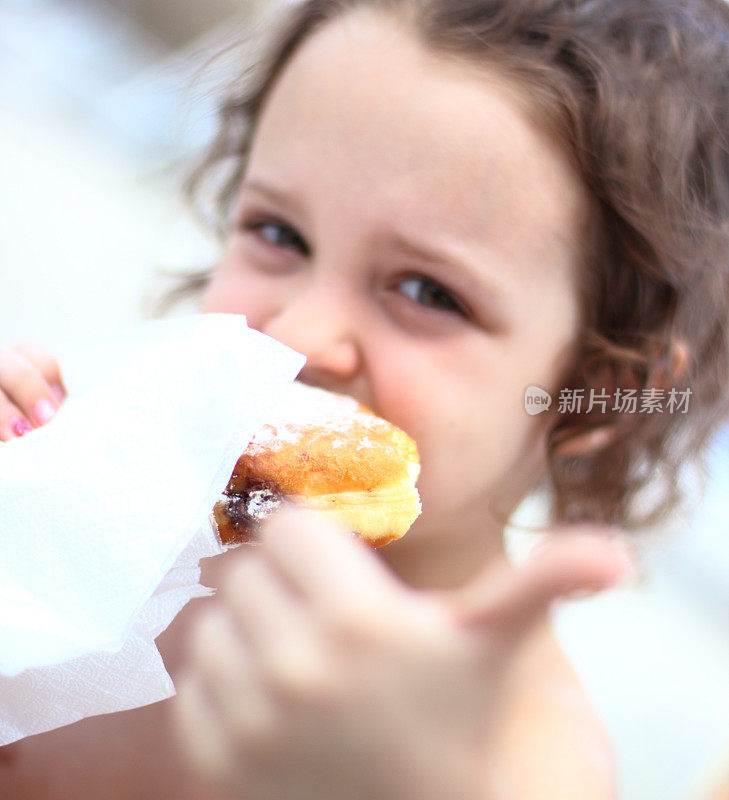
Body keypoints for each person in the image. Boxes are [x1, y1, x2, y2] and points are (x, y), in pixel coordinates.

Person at [1, 0, 728, 797]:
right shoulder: (113, 521)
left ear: (601, 396)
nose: (304, 332)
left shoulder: (515, 751)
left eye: (425, 291)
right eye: (280, 233)